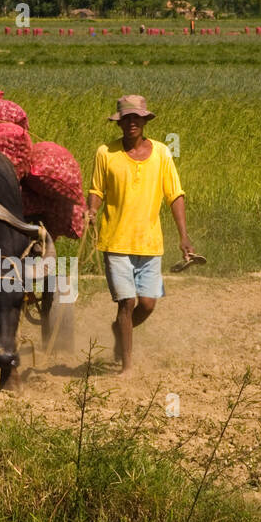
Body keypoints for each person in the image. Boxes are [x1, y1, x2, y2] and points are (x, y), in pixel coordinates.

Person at [85, 95, 195, 374]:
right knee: (127, 302)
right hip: (115, 240)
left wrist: (183, 236)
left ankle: (119, 330)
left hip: (149, 242)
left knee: (147, 304)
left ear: (145, 121)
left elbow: (175, 195)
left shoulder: (161, 153)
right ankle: (127, 366)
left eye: (137, 118)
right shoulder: (105, 153)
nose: (131, 122)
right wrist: (91, 211)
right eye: (126, 118)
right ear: (119, 122)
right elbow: (96, 189)